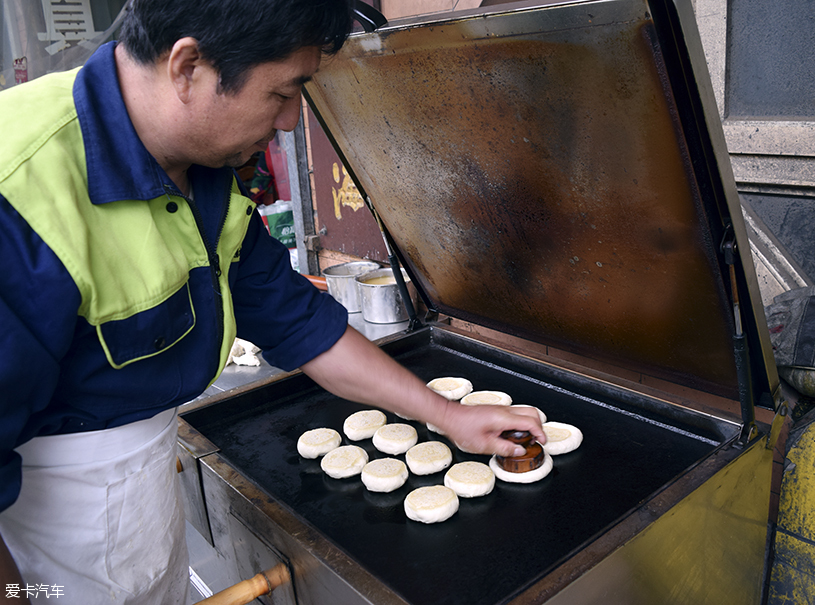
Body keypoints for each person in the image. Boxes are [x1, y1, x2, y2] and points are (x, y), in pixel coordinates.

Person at [0, 0, 545, 602]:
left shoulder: (203, 166)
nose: (290, 121)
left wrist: (448, 416)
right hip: (39, 541)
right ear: (187, 67)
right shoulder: (19, 195)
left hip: (141, 500)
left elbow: (299, 322)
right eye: (283, 92)